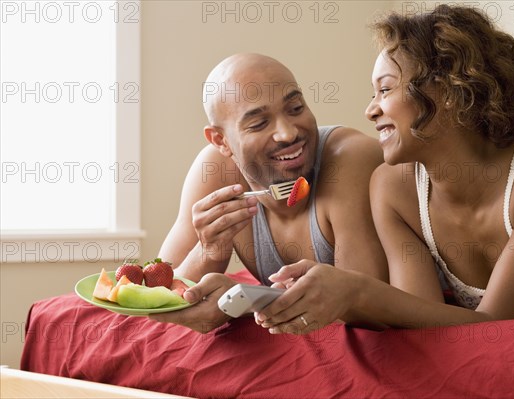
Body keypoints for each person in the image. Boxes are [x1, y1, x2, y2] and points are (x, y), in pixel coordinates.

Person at [255, 5, 514, 334]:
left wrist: (357, 291)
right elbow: (421, 318)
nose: (370, 110)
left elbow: (494, 322)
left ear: (449, 89)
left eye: (385, 89)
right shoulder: (392, 188)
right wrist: (335, 289)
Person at [151, 53, 388, 332]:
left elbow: (364, 309)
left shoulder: (350, 160)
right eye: (259, 124)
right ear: (220, 140)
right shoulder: (217, 171)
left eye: (296, 108)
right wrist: (209, 252)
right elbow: (161, 296)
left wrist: (241, 306)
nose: (288, 134)